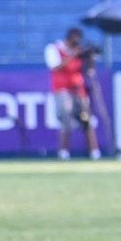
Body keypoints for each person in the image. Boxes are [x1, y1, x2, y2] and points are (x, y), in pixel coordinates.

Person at [44, 27, 101, 160]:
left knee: (86, 119)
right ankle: (63, 152)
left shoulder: (79, 52)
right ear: (69, 38)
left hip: (78, 91)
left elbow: (89, 71)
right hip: (62, 90)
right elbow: (55, 66)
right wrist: (73, 55)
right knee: (66, 120)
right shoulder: (55, 48)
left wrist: (90, 57)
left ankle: (94, 151)